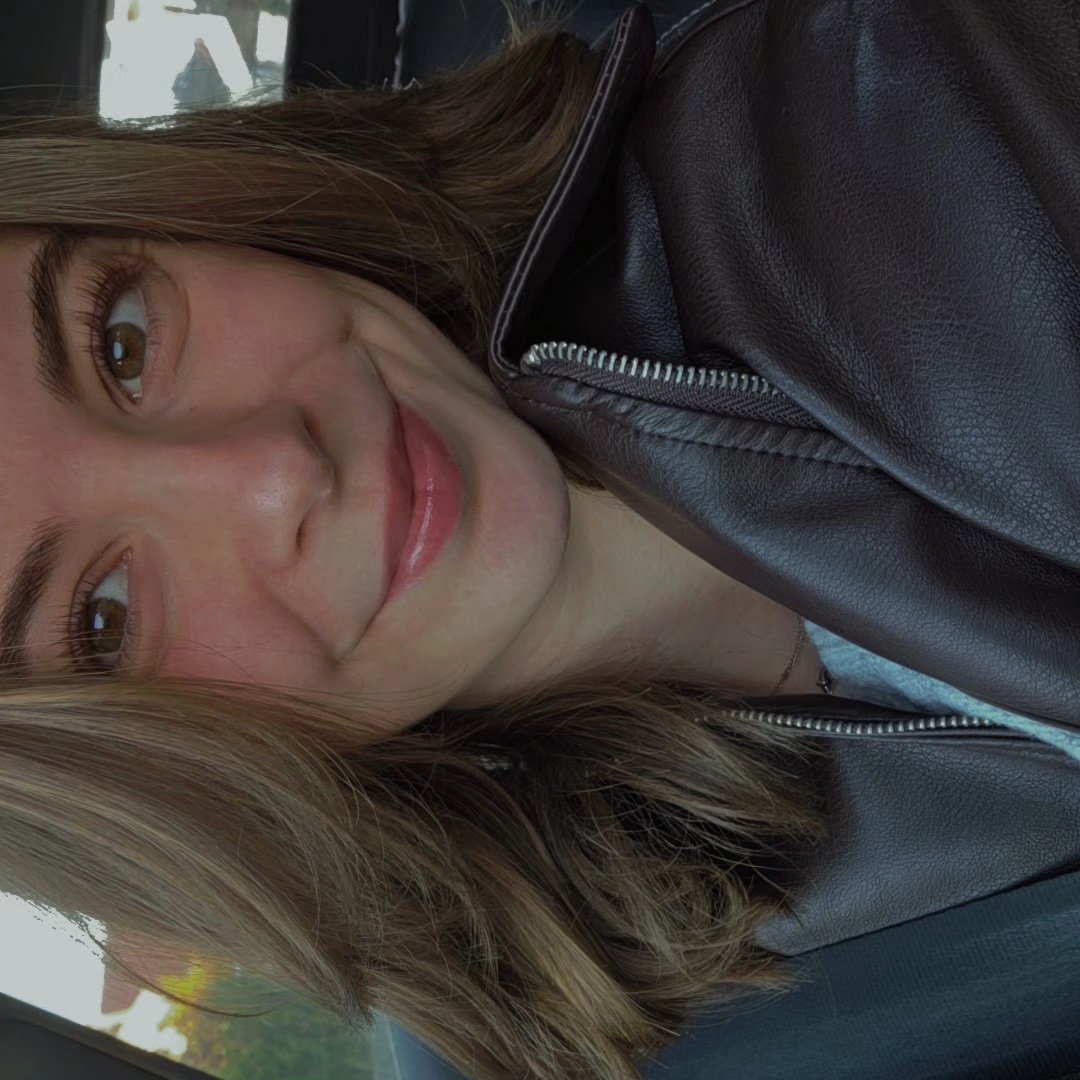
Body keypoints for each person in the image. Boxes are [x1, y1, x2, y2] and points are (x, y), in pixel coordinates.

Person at [0, 1, 1077, 1078]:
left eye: (123, 341)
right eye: (106, 620)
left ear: (186, 219)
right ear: (141, 787)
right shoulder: (631, 1038)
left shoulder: (890, 95)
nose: (276, 472)